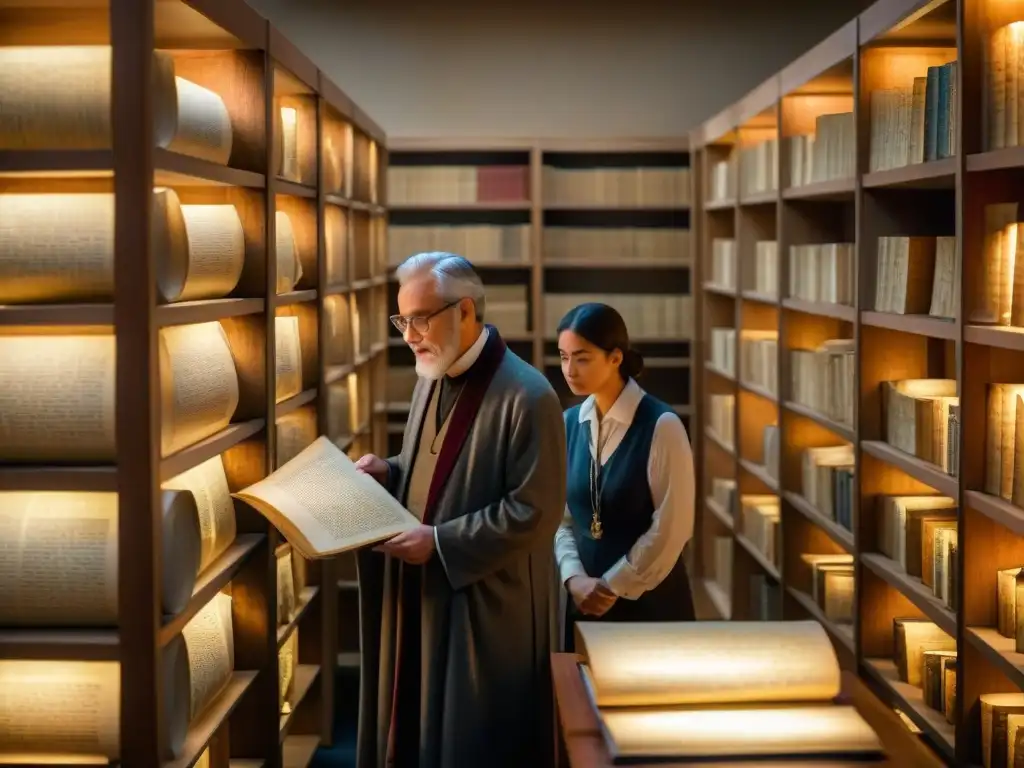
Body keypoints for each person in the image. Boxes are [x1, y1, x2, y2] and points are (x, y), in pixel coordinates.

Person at [352, 251, 567, 768]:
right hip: (426, 589)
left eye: (420, 318)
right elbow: (431, 467)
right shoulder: (433, 373)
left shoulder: (529, 395)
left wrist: (441, 541)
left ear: (465, 311)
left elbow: (533, 511)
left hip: (487, 606)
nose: (409, 335)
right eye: (402, 320)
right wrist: (389, 470)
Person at [554, 302, 696, 652]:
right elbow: (561, 519)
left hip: (648, 604)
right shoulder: (568, 423)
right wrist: (573, 578)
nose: (569, 370)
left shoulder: (661, 425)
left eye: (582, 357)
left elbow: (672, 528)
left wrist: (610, 586)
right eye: (563, 356)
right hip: (582, 603)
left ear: (615, 357)